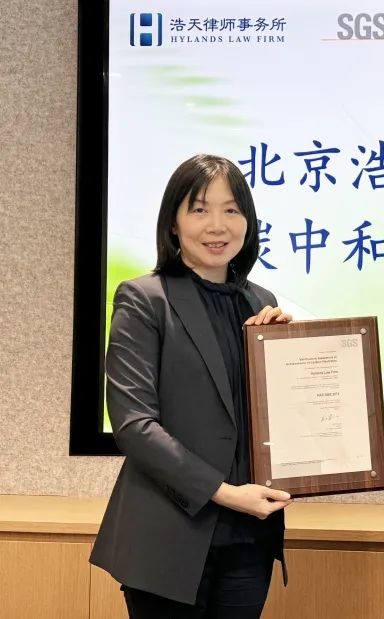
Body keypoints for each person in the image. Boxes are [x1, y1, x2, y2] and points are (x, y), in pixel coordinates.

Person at [91, 155, 294, 618]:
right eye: (200, 209)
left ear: (248, 221)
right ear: (173, 223)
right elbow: (134, 426)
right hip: (167, 536)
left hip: (248, 539)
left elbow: (264, 418)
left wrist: (287, 355)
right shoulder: (144, 299)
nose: (217, 225)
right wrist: (224, 492)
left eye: (231, 210)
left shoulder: (262, 303)